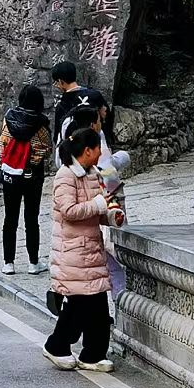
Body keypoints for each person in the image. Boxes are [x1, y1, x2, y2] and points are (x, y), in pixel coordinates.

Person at [43, 123, 123, 373]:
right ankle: (57, 346)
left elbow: (97, 209)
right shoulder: (65, 176)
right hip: (72, 252)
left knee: (98, 306)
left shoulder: (93, 174)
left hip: (91, 250)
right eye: (98, 148)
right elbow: (69, 211)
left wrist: (111, 215)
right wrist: (99, 205)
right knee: (79, 306)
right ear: (88, 150)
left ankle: (93, 354)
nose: (101, 153)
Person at [0, 84, 51, 275]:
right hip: (33, 175)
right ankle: (33, 263)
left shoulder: (9, 117)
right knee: (31, 218)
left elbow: (2, 142)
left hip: (11, 173)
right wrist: (32, 160)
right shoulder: (41, 122)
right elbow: (46, 147)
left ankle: (8, 263)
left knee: (10, 217)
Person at [51, 61, 98, 146]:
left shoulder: (62, 105)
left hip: (73, 148)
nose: (57, 86)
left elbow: (58, 135)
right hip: (95, 145)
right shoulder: (95, 95)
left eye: (56, 82)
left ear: (61, 81)